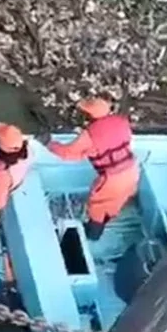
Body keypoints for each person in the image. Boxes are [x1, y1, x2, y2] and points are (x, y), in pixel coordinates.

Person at [42, 97, 139, 240]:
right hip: (132, 171)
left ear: (90, 115)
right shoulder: (122, 121)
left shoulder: (90, 134)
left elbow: (68, 153)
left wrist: (49, 143)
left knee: (97, 206)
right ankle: (105, 220)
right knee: (116, 201)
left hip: (111, 179)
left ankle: (93, 234)